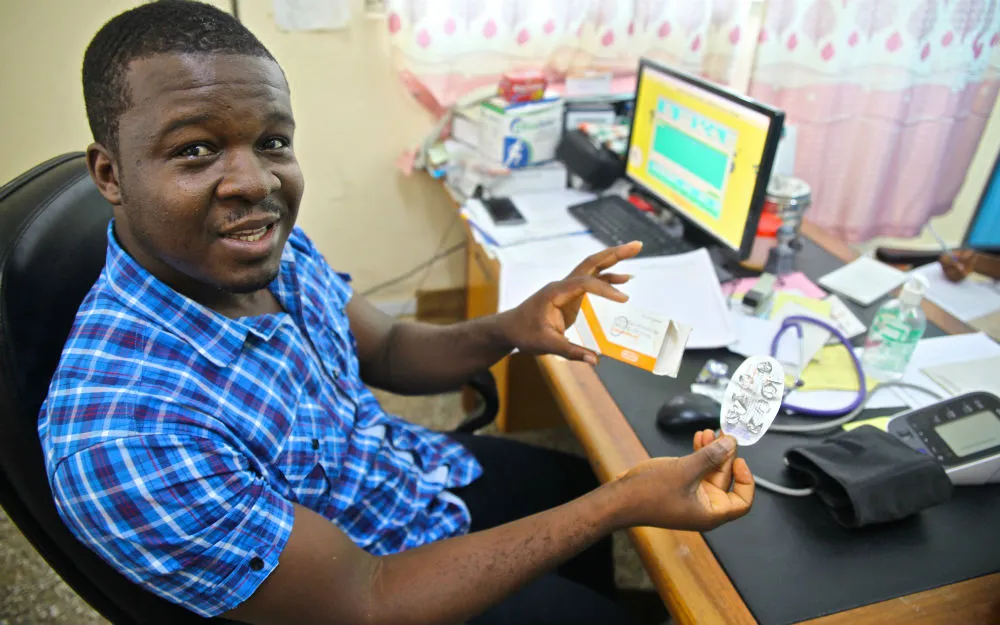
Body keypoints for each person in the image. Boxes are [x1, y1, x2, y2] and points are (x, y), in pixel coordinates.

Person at [37, 2, 755, 624]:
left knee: (574, 489)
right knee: (600, 518)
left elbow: (386, 347)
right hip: (376, 586)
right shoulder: (123, 433)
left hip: (402, 474)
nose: (254, 182)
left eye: (272, 142)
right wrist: (620, 504)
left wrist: (512, 326)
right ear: (110, 173)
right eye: (195, 150)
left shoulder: (255, 246)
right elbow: (366, 601)